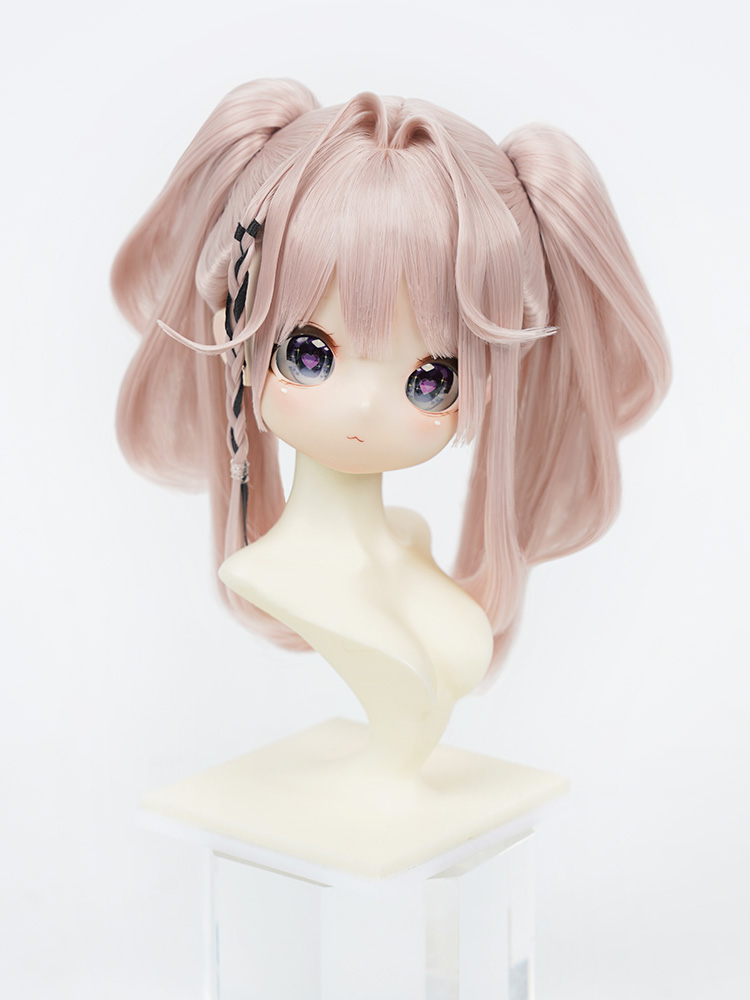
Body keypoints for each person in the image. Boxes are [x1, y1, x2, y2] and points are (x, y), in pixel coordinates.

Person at [113, 79, 669, 773]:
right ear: (238, 336)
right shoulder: (273, 574)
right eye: (309, 355)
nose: (365, 407)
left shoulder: (408, 544)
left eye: (431, 380)